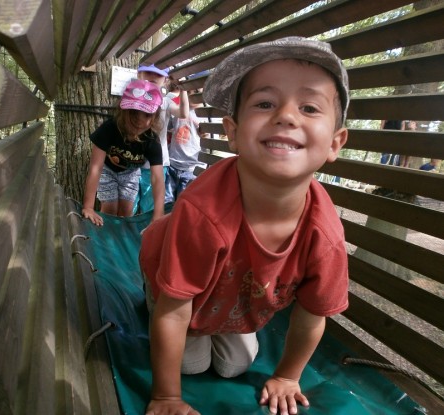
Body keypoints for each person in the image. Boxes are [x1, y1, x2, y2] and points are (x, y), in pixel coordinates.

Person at [139, 36, 350, 415]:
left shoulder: (325, 235)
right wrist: (167, 396)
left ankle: (215, 315)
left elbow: (312, 314)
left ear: (335, 143)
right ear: (233, 131)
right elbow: (175, 309)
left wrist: (287, 375)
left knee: (235, 365)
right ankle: (152, 284)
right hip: (177, 288)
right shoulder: (203, 211)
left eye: (309, 106)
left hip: (235, 297)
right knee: (190, 364)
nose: (287, 115)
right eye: (265, 103)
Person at [82, 79, 165, 226]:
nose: (139, 121)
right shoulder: (109, 128)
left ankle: (120, 242)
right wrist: (88, 207)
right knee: (110, 209)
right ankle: (106, 237)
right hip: (107, 170)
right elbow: (96, 167)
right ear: (123, 110)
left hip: (130, 173)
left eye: (147, 115)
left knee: (126, 212)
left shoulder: (152, 140)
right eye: (134, 113)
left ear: (155, 116)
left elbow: (157, 178)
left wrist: (158, 214)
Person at [135, 64, 189, 213]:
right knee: (130, 204)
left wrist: (183, 89)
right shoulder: (132, 98)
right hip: (132, 160)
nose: (153, 77)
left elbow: (183, 114)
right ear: (139, 75)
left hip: (157, 163)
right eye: (148, 72)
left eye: (158, 75)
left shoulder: (165, 102)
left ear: (165, 80)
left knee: (149, 207)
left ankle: (145, 234)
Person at [167, 88, 206, 200]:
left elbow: (211, 140)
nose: (192, 94)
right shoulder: (178, 110)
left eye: (197, 91)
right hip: (172, 164)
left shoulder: (207, 115)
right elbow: (168, 127)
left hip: (192, 168)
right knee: (166, 202)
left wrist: (206, 134)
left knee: (184, 203)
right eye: (189, 91)